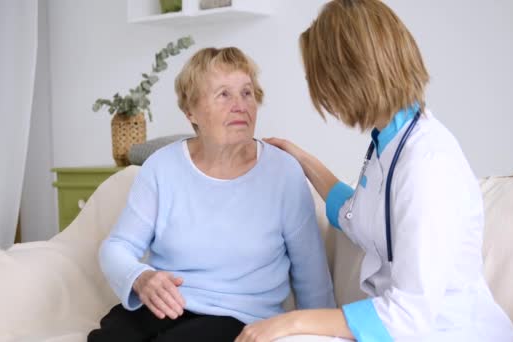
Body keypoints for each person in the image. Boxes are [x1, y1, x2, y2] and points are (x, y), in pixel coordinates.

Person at [236, 1, 513, 341]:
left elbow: (408, 316)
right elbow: (358, 217)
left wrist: (292, 321)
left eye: (320, 78)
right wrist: (301, 159)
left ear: (351, 73)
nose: (320, 92)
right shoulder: (390, 141)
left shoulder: (428, 165)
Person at [88, 47, 335, 342]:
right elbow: (117, 246)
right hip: (165, 307)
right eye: (223, 94)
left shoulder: (283, 173)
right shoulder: (162, 167)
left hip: (238, 319)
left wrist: (322, 333)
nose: (240, 105)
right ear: (190, 111)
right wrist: (141, 278)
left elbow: (312, 276)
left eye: (247, 93)